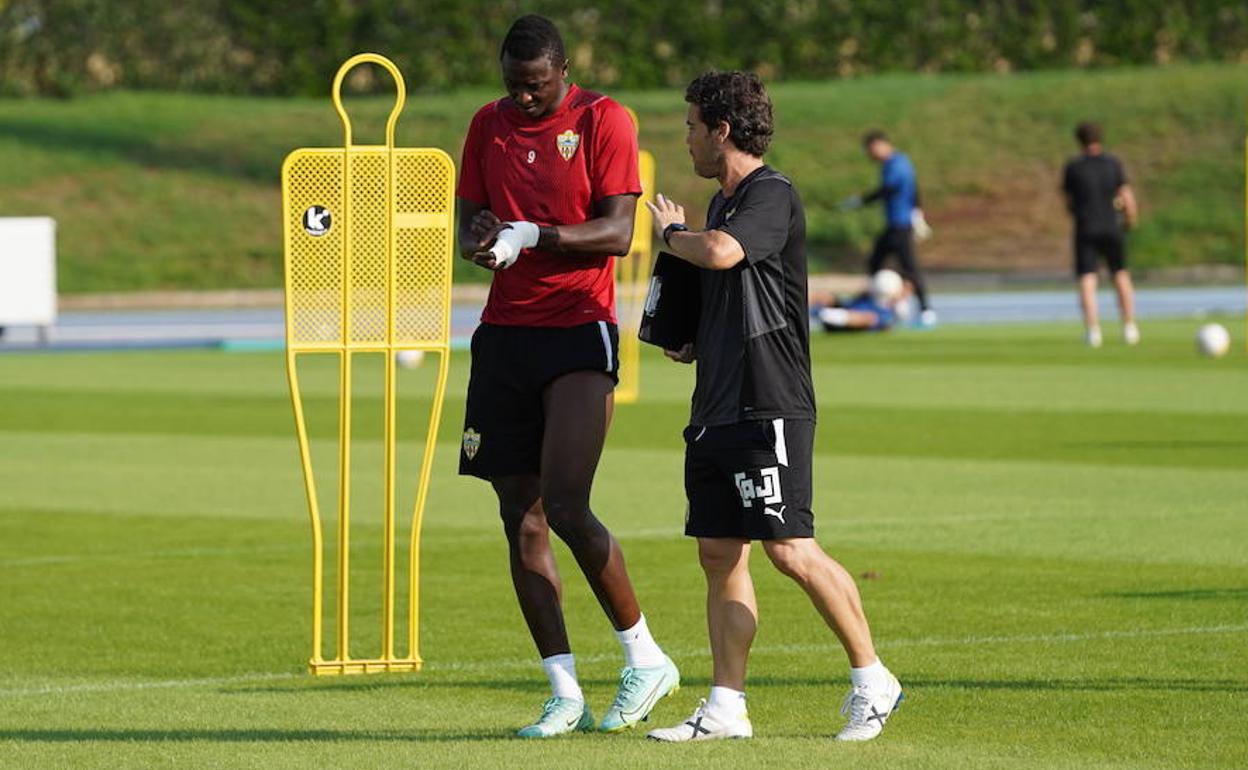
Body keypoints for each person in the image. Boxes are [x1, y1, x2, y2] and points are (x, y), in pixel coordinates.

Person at [643, 70, 902, 743]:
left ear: (723, 131)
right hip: (718, 404)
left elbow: (724, 256)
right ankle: (726, 707)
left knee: (790, 547)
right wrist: (693, 339)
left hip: (770, 403)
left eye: (694, 127)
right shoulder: (723, 206)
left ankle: (873, 680)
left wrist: (671, 235)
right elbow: (733, 284)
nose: (688, 140)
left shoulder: (770, 194)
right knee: (719, 553)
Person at [455, 14, 678, 738]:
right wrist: (487, 243)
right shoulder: (486, 125)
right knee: (518, 516)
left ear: (562, 72)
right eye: (513, 86)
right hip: (504, 337)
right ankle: (562, 690)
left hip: (579, 329)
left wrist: (537, 235)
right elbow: (467, 224)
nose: (523, 99)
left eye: (536, 86)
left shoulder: (603, 119)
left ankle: (644, 658)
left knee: (569, 504)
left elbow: (619, 233)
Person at [845, 130, 935, 327]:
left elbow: (891, 188)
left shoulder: (898, 163)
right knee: (875, 262)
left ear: (880, 145)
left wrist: (862, 200)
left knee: (909, 266)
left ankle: (926, 310)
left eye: (871, 150)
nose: (871, 155)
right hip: (893, 224)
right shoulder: (890, 165)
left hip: (901, 225)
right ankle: (884, 303)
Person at [1062, 121, 1139, 348]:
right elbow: (1127, 197)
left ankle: (1093, 331)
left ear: (1079, 140)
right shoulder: (1112, 164)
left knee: (1087, 278)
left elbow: (1068, 201)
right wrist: (1129, 220)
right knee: (1120, 274)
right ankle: (1129, 327)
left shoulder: (1073, 168)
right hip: (1111, 226)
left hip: (1086, 227)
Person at [815, 270, 909, 333]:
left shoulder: (884, 313)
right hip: (843, 312)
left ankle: (836, 316)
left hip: (843, 316)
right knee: (825, 297)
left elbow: (868, 319)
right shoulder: (873, 306)